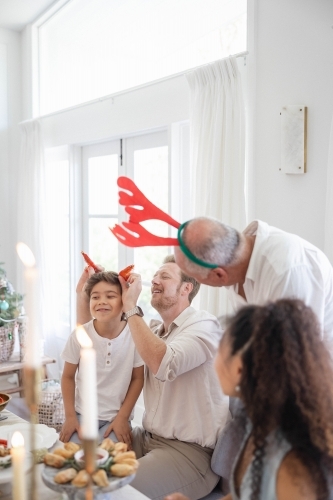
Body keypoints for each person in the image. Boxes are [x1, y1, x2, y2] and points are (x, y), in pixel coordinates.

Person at [77, 255, 230, 500]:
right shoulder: (154, 330)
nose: (155, 280)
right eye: (155, 276)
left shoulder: (204, 325)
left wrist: (129, 307)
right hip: (145, 438)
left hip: (188, 454)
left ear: (186, 288)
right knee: (76, 464)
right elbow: (92, 342)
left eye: (165, 276)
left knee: (107, 490)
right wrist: (86, 292)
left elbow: (163, 363)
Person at [164, 299, 333, 500]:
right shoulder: (260, 423)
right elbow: (242, 494)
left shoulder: (294, 466)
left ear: (239, 369)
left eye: (220, 351)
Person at [174, 218, 333, 350]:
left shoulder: (286, 270)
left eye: (195, 277)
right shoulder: (234, 265)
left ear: (218, 275)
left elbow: (294, 358)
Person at [60, 271, 144, 445]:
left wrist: (122, 418)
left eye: (110, 296)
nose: (101, 301)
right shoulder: (80, 335)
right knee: (70, 461)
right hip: (82, 416)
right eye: (95, 297)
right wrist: (70, 417)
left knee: (106, 464)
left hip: (116, 419)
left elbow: (138, 379)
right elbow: (68, 376)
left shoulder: (135, 335)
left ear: (124, 301)